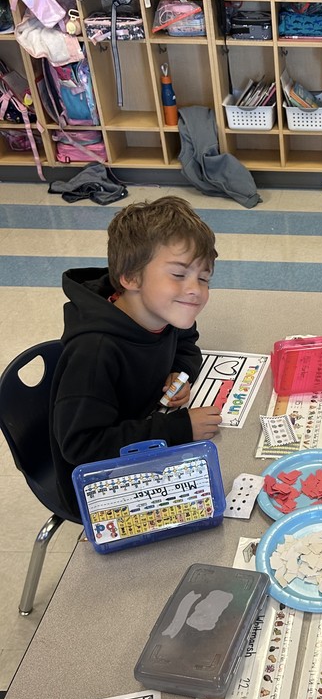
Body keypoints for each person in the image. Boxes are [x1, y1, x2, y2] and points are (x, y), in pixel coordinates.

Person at [51, 196, 222, 515]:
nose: (196, 290)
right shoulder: (95, 352)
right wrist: (179, 430)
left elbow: (186, 344)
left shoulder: (162, 313)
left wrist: (180, 373)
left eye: (204, 277)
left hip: (146, 442)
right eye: (179, 274)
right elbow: (82, 447)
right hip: (101, 485)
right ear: (130, 277)